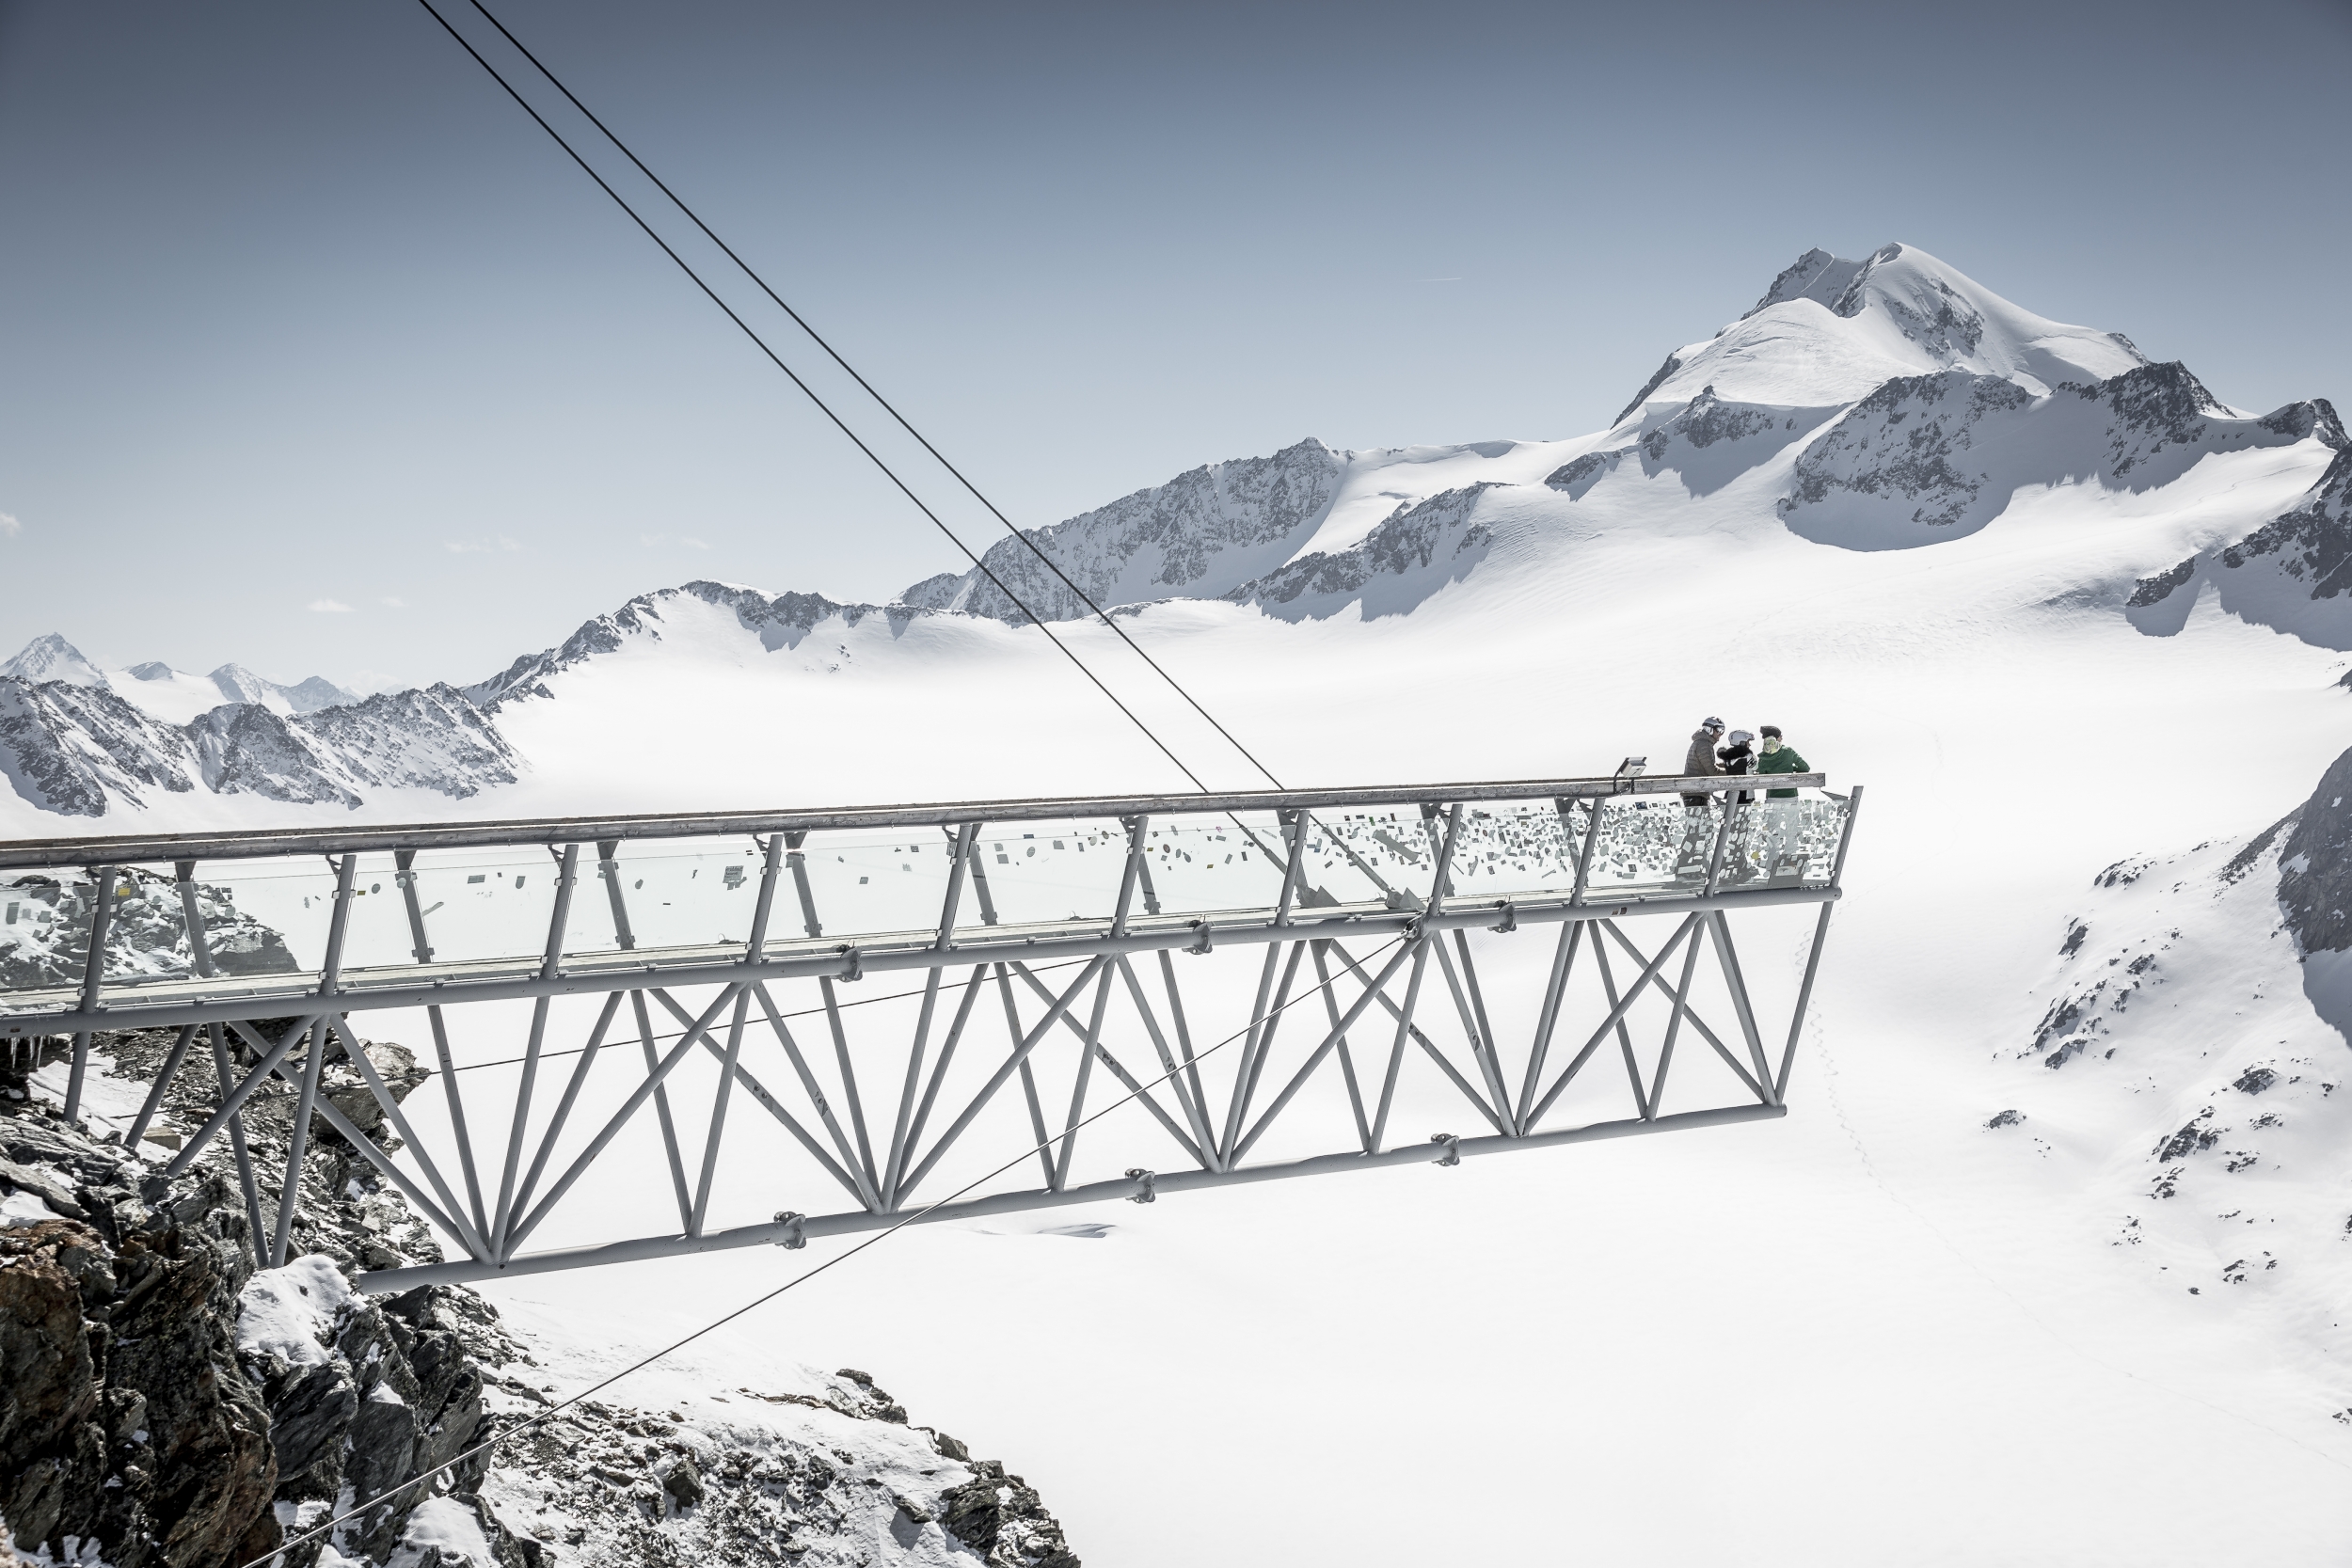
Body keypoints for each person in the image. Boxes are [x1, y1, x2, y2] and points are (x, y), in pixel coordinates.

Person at [1679, 717, 1725, 806]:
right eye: (1719, 730)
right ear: (1710, 730)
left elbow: (1707, 766)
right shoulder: (1704, 745)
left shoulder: (1701, 743)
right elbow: (1712, 771)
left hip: (1695, 792)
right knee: (1700, 820)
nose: (1721, 734)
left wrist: (1726, 766)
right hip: (1697, 793)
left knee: (1698, 820)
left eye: (1722, 730)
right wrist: (1732, 772)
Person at [1755, 725, 1809, 798]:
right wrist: (1790, 768)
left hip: (1772, 796)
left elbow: (1762, 774)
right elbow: (1805, 768)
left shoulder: (1763, 757)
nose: (1782, 738)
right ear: (1776, 738)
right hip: (1790, 795)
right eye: (1781, 736)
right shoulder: (1788, 751)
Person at [1718, 728, 1756, 804]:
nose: (1749, 744)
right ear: (1742, 742)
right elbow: (1756, 767)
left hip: (1730, 793)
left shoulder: (1727, 757)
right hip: (1746, 794)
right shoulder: (1748, 755)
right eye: (1748, 742)